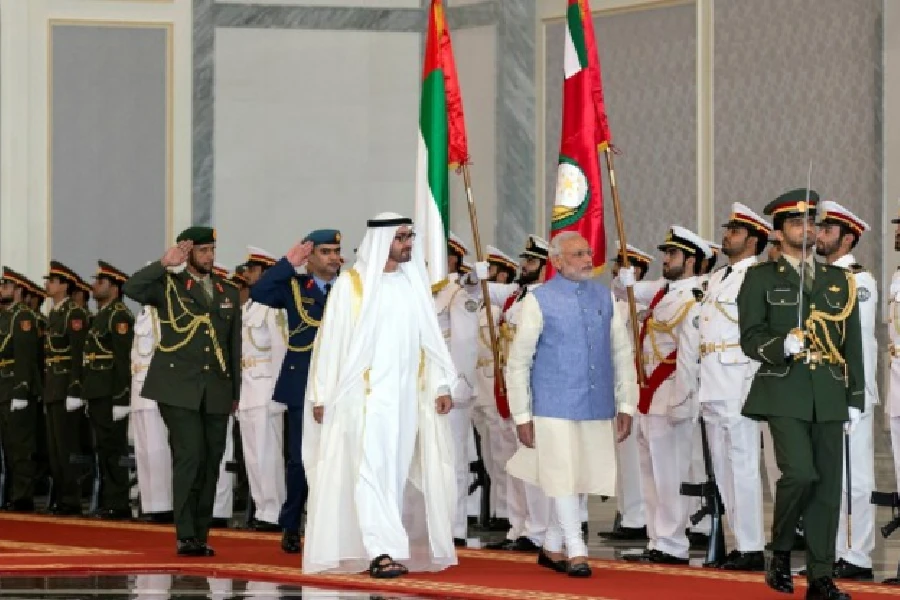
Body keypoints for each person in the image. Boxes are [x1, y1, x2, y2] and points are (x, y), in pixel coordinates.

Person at [301, 212, 457, 576]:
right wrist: (322, 395)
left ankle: (385, 545)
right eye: (401, 237)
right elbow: (330, 343)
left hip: (406, 400)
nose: (407, 244)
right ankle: (380, 552)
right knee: (370, 472)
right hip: (363, 399)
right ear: (382, 240)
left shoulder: (412, 284)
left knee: (393, 474)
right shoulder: (352, 286)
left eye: (409, 237)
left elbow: (430, 341)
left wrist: (440, 385)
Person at [737, 189, 863, 600]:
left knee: (827, 488)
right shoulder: (760, 278)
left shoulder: (839, 279)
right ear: (778, 232)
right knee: (800, 473)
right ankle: (780, 548)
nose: (807, 229)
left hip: (828, 391)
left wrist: (856, 398)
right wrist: (780, 346)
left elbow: (852, 343)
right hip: (783, 389)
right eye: (797, 223)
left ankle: (821, 577)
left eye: (812, 222)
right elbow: (750, 338)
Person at [505, 232, 637, 577]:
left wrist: (627, 404)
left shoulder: (605, 297)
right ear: (557, 262)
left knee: (581, 477)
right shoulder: (539, 300)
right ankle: (577, 550)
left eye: (588, 252)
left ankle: (551, 546)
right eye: (577, 254)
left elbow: (622, 353)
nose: (587, 259)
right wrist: (521, 414)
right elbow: (518, 362)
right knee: (562, 475)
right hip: (553, 405)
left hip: (597, 403)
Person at [123, 226, 241, 557]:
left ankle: (200, 534)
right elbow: (131, 288)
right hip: (178, 387)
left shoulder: (228, 291)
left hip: (216, 388)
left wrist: (235, 392)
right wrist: (164, 263)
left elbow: (233, 345)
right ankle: (186, 533)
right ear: (187, 253)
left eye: (212, 250)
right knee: (190, 455)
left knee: (212, 460)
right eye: (203, 250)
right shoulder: (168, 285)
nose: (210, 256)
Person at [619, 225, 710, 565]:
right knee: (650, 474)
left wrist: (681, 402)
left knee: (670, 475)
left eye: (673, 254)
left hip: (670, 394)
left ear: (691, 260)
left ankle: (673, 543)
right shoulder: (662, 291)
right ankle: (656, 539)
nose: (666, 259)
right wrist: (625, 278)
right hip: (648, 396)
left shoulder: (693, 298)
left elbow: (687, 356)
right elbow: (622, 289)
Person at [250, 229, 341, 553]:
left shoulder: (348, 287)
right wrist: (288, 263)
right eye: (325, 252)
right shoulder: (294, 286)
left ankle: (332, 525)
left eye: (336, 251)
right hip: (303, 382)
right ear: (310, 256)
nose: (333, 258)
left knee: (338, 458)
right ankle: (291, 525)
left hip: (340, 384)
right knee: (300, 459)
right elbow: (259, 291)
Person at [462, 234, 553, 552]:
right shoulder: (517, 296)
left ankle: (538, 529)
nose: (523, 265)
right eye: (524, 260)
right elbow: (476, 289)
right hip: (509, 390)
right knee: (513, 463)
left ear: (546, 266)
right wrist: (476, 275)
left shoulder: (547, 299)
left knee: (532, 464)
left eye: (531, 261)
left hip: (532, 392)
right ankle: (518, 526)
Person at [696, 204, 772, 571]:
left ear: (753, 240)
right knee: (723, 469)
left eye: (735, 232)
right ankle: (739, 542)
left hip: (738, 380)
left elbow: (758, 333)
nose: (727, 236)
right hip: (713, 380)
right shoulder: (717, 278)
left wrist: (752, 386)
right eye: (728, 230)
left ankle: (753, 546)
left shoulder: (758, 276)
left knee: (742, 466)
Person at [814, 201, 878, 581]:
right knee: (831, 478)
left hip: (850, 391)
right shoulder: (821, 278)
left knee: (856, 477)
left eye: (827, 230)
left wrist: (853, 394)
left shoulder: (858, 281)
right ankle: (837, 550)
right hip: (824, 391)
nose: (819, 235)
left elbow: (856, 343)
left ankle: (858, 554)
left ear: (848, 238)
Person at [599, 243, 653, 542]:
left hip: (631, 383)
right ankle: (626, 512)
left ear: (637, 270)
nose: (615, 270)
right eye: (616, 264)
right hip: (612, 382)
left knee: (633, 454)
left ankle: (638, 517)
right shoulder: (610, 302)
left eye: (622, 265)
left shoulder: (640, 303)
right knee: (621, 455)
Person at [237, 246, 287, 532]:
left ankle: (274, 511)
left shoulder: (273, 306)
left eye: (253, 269)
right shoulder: (248, 307)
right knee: (253, 455)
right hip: (248, 389)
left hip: (267, 387)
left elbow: (280, 350)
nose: (248, 274)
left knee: (268, 454)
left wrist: (279, 394)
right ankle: (262, 508)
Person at [470, 245, 519, 531]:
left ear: (502, 274)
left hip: (496, 384)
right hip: (479, 385)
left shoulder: (505, 308)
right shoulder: (481, 305)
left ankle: (506, 512)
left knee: (504, 454)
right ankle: (498, 509)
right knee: (490, 456)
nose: (485, 274)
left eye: (490, 270)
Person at [82, 261, 135, 520]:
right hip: (97, 391)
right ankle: (107, 500)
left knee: (114, 449)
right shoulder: (102, 315)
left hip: (110, 393)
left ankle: (118, 502)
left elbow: (123, 360)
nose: (94, 285)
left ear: (115, 288)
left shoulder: (119, 316)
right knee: (103, 449)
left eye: (100, 282)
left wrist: (122, 397)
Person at [434, 236, 479, 546]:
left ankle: (454, 526)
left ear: (452, 259)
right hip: (423, 387)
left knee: (453, 459)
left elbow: (464, 342)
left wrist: (457, 386)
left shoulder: (457, 294)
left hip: (449, 389)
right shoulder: (424, 290)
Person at [43, 260, 91, 516]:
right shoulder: (55, 313)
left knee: (67, 447)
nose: (48, 285)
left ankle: (71, 499)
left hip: (65, 386)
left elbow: (78, 353)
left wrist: (75, 387)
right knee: (54, 449)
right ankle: (61, 497)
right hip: (53, 385)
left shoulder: (74, 313)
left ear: (64, 285)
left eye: (52, 281)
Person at [130, 289, 173, 524]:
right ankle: (150, 503)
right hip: (139, 388)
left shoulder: (163, 313)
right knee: (144, 450)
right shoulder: (144, 314)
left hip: (155, 388)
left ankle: (164, 504)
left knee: (158, 449)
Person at [0, 267, 40, 512]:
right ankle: (12, 493)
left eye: (6, 286)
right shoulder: (6, 316)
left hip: (15, 387)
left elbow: (25, 357)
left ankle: (23, 496)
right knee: (8, 446)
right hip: (3, 387)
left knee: (21, 446)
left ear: (18, 290)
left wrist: (22, 389)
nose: (1, 289)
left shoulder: (23, 316)